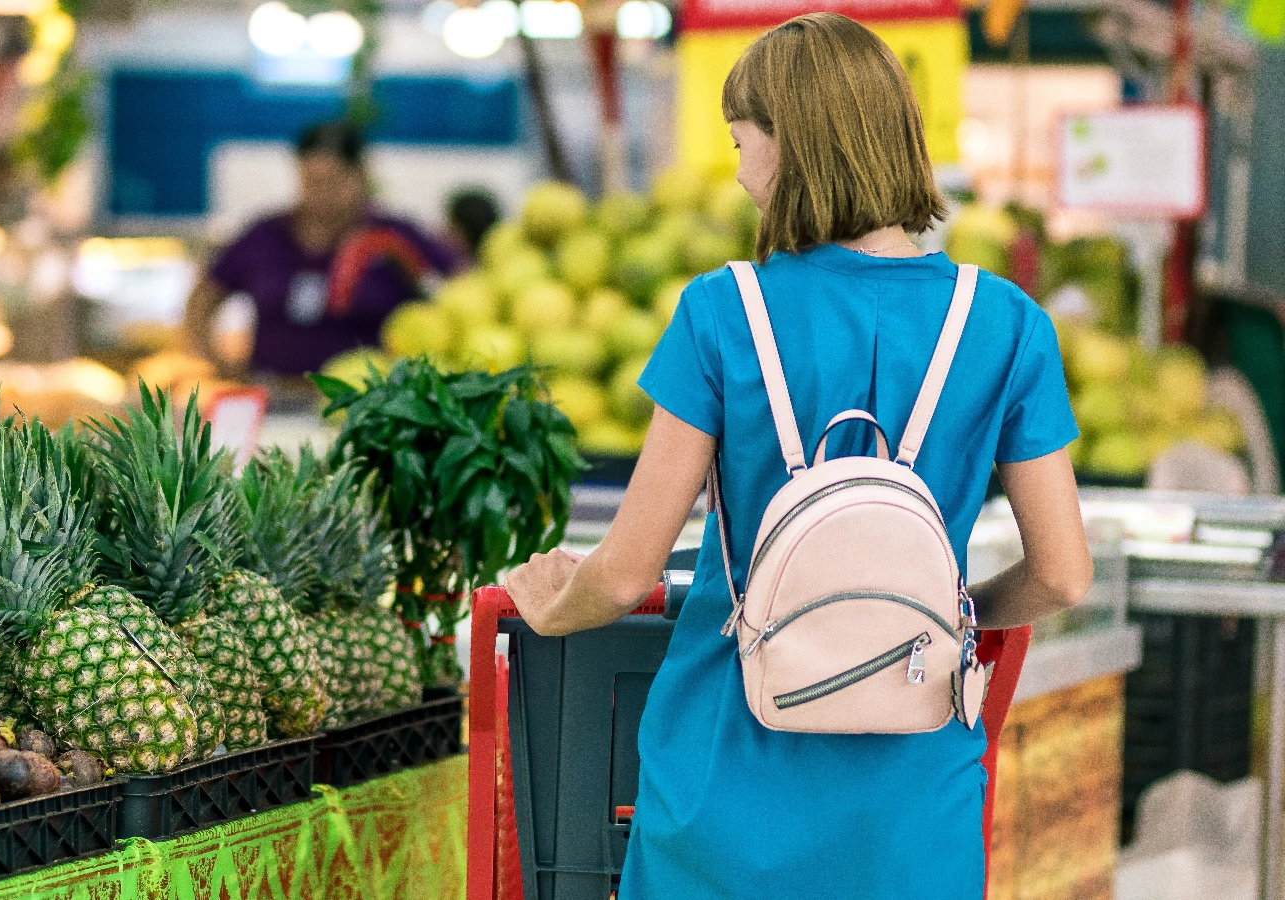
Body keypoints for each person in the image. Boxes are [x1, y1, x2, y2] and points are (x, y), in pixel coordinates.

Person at [503, 14, 1094, 899]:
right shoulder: (1007, 325)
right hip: (913, 797)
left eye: (744, 142)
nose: (741, 173)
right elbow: (1064, 575)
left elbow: (626, 571)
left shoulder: (722, 313)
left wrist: (554, 610)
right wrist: (950, 619)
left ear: (795, 148)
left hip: (724, 785)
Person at [184, 121, 461, 376]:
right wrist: (218, 365)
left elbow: (459, 289)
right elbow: (203, 298)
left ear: (361, 176)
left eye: (334, 181)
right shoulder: (264, 237)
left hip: (371, 405)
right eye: (311, 181)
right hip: (275, 397)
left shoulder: (394, 237)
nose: (321, 193)